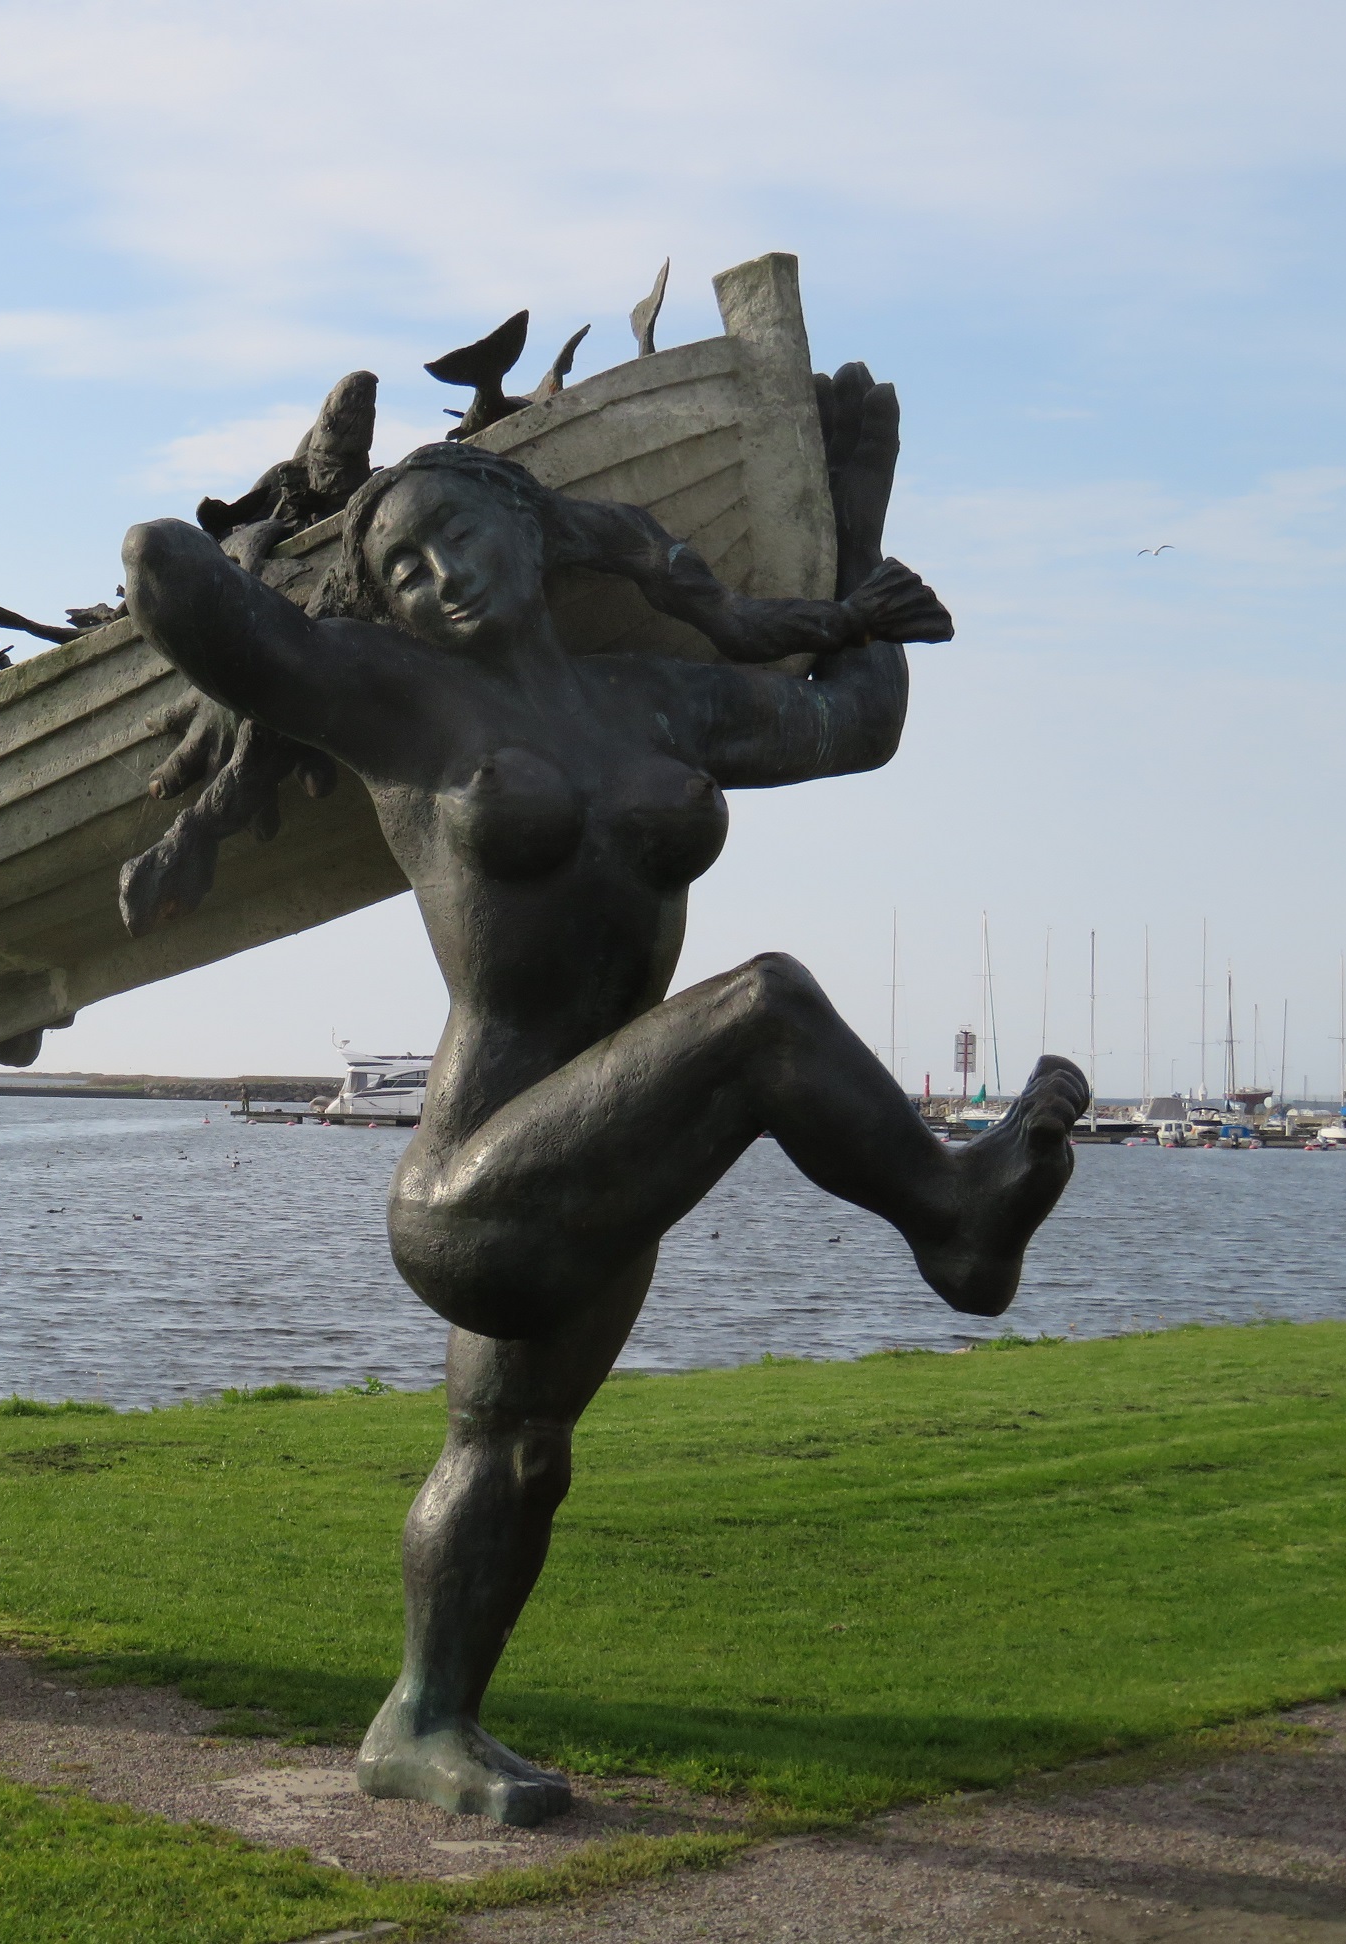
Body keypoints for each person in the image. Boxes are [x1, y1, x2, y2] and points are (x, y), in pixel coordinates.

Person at [122, 369, 1089, 1825]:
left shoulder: (651, 697)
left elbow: (852, 719)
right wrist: (280, 555)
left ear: (538, 531)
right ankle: (953, 1215)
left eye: (459, 536)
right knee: (763, 1009)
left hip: (603, 1158)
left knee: (515, 1451)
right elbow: (163, 566)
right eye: (404, 569)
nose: (440, 578)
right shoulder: (394, 701)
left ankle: (421, 1719)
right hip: (473, 1190)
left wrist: (857, 502)